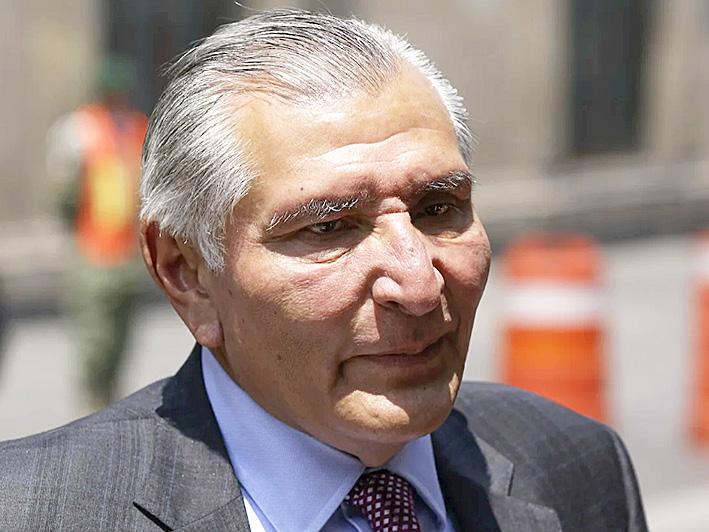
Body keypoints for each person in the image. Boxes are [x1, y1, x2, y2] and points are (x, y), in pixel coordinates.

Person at [0, 10, 647, 531]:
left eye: (437, 209)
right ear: (186, 273)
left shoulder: (575, 467)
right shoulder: (37, 512)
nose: (418, 285)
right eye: (330, 228)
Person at [46, 56, 148, 409]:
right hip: (93, 253)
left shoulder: (138, 127)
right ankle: (91, 408)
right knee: (95, 342)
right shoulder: (79, 131)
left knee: (121, 342)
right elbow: (64, 196)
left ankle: (109, 405)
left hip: (128, 253)